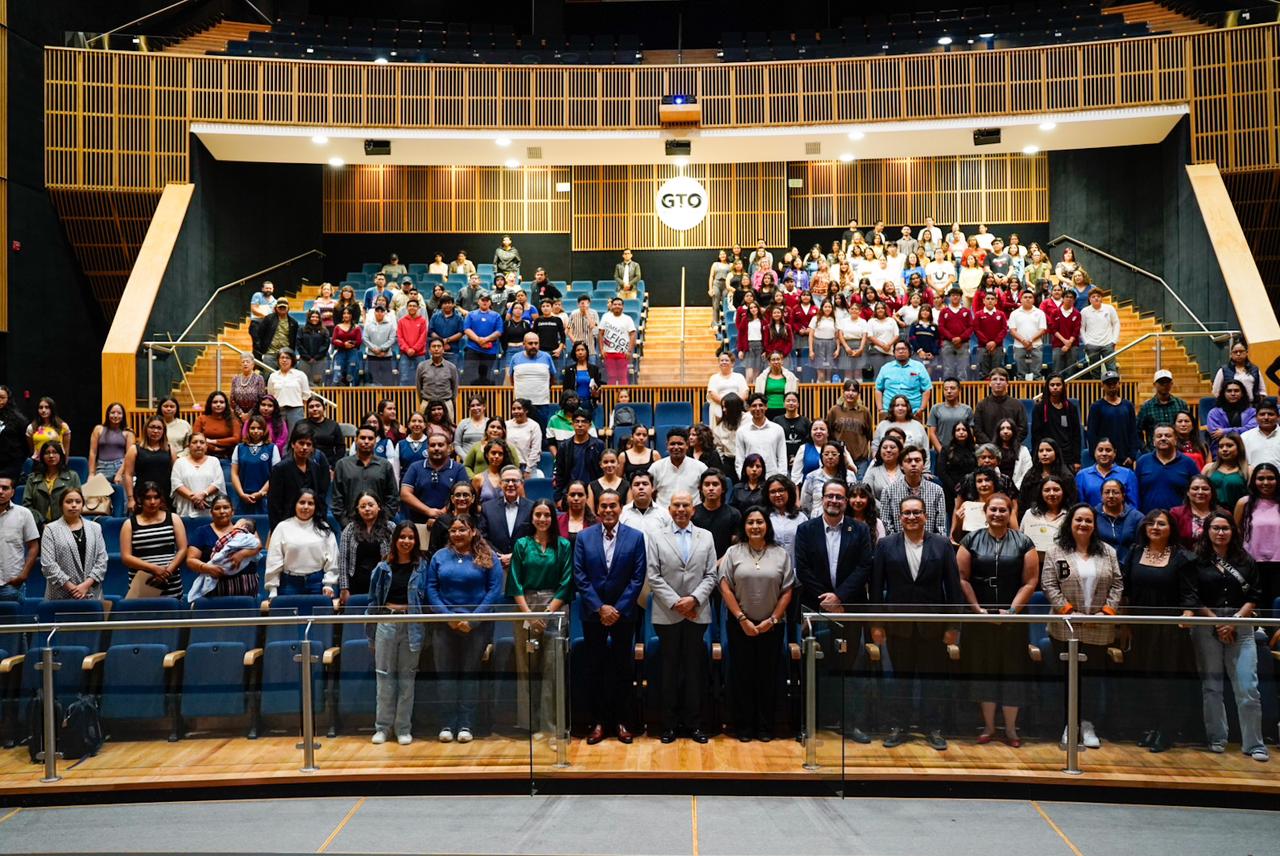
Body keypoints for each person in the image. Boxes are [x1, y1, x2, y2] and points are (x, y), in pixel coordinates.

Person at [872, 495, 964, 751]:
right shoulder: (885, 545)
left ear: (926, 516)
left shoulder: (942, 544)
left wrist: (953, 626)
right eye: (907, 513)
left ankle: (932, 728)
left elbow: (953, 588)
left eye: (916, 512)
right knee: (900, 678)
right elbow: (877, 587)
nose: (911, 517)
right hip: (898, 626)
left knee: (932, 679)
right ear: (899, 517)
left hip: (932, 626)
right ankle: (899, 726)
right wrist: (876, 624)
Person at [1184, 511, 1268, 761]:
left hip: (1240, 624)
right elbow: (1192, 596)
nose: (1221, 533)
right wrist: (1219, 622)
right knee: (1212, 686)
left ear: (1233, 531)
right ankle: (1217, 738)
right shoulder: (1195, 560)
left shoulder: (1245, 560)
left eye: (1225, 528)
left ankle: (1254, 744)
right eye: (1216, 528)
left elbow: (1255, 595)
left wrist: (1234, 621)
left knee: (1248, 687)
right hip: (1206, 624)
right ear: (1207, 531)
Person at [957, 493, 1038, 747]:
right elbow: (962, 578)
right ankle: (989, 726)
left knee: (1013, 672)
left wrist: (1012, 612)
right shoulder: (971, 539)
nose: (998, 514)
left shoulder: (1024, 541)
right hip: (980, 618)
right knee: (985, 671)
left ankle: (1011, 729)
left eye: (1003, 510)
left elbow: (1030, 581)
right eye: (993, 509)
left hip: (1013, 619)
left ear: (1010, 512)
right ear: (985, 511)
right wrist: (977, 610)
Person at [1041, 503, 1123, 749]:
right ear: (1070, 523)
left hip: (1099, 626)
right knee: (1068, 679)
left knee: (1091, 680)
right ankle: (1070, 724)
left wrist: (1106, 612)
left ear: (1095, 525)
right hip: (1066, 626)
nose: (1083, 524)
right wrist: (1069, 611)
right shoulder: (1056, 551)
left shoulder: (1108, 551)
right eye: (1079, 520)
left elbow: (1117, 584)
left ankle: (1087, 725)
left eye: (1088, 520)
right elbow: (1049, 584)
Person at [419, 513, 502, 745]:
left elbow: (494, 591)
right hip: (444, 626)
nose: (457, 534)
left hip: (476, 627)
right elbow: (431, 589)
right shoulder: (439, 556)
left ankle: (466, 723)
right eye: (453, 530)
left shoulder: (487, 556)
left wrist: (473, 620)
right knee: (445, 675)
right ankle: (447, 723)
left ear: (473, 532)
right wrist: (448, 617)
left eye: (462, 530)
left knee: (469, 674)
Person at [573, 490, 647, 745]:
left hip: (623, 615)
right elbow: (580, 575)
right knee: (595, 669)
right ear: (598, 509)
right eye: (603, 506)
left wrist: (617, 608)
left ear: (620, 508)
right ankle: (598, 723)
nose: (607, 510)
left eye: (612, 506)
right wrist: (600, 607)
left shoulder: (635, 537)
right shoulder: (584, 537)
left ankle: (623, 722)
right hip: (593, 615)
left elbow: (638, 577)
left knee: (623, 669)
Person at [1120, 509, 1196, 753]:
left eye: (1161, 524)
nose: (1155, 527)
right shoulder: (1135, 552)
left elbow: (1189, 594)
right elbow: (1125, 591)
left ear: (1171, 529)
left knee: (1165, 681)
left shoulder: (1181, 556)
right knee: (1144, 679)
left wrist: (1188, 614)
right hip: (1141, 627)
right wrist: (1126, 623)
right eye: (1151, 523)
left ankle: (1167, 730)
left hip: (1169, 629)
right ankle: (1151, 726)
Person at [644, 491, 717, 744]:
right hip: (667, 613)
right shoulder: (656, 536)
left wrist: (693, 599)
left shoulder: (706, 536)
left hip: (698, 612)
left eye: (686, 505)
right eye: (677, 505)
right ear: (670, 509)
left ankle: (694, 724)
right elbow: (653, 576)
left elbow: (711, 575)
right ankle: (669, 725)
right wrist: (677, 603)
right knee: (669, 672)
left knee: (694, 671)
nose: (681, 509)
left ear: (693, 509)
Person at [719, 506, 796, 742]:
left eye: (759, 522)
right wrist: (742, 618)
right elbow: (725, 586)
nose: (755, 526)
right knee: (742, 676)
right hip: (740, 624)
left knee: (768, 676)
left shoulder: (780, 553)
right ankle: (743, 726)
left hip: (772, 625)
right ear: (744, 526)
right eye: (750, 522)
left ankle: (765, 727)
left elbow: (787, 590)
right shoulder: (733, 552)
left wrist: (772, 620)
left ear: (767, 526)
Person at [507, 498, 572, 741]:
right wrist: (530, 614)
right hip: (525, 608)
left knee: (552, 669)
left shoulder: (563, 545)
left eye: (547, 515)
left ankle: (551, 726)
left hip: (555, 608)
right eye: (538, 515)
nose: (542, 519)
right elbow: (515, 582)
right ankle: (530, 725)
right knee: (527, 668)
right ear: (532, 517)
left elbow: (567, 583)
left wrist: (546, 613)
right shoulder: (522, 544)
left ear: (553, 518)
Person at [366, 521, 424, 746]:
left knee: (407, 679)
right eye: (402, 537)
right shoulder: (383, 568)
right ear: (395, 540)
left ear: (416, 541)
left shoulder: (422, 567)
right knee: (384, 677)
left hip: (412, 624)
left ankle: (403, 728)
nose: (406, 541)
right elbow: (373, 601)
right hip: (387, 622)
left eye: (411, 537)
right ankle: (382, 727)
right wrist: (371, 634)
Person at [120, 481, 188, 599]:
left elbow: (183, 549)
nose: (152, 502)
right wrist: (153, 569)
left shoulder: (173, 518)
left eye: (156, 497)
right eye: (148, 498)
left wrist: (167, 572)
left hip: (171, 583)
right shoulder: (129, 524)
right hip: (142, 585)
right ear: (140, 499)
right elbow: (126, 557)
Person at [265, 489, 338, 599]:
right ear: (295, 504)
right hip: (289, 584)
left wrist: (329, 584)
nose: (306, 507)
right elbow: (274, 560)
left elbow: (332, 560)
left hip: (317, 583)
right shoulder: (282, 527)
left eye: (310, 503)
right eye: (302, 502)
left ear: (315, 506)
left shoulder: (324, 528)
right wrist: (272, 589)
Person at [41, 489, 107, 601]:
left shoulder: (95, 528)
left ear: (83, 505)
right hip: (60, 596)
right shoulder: (50, 529)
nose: (74, 505)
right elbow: (48, 565)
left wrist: (85, 585)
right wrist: (74, 589)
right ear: (61, 505)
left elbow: (102, 560)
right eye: (69, 501)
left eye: (78, 501)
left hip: (91, 594)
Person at [266, 424, 331, 530]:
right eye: (301, 443)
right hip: (287, 524)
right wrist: (277, 530)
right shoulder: (280, 469)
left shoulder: (316, 468)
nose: (304, 447)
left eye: (308, 444)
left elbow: (320, 499)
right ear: (293, 444)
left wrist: (321, 523)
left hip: (311, 524)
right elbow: (274, 504)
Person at [1235, 462, 1280, 612]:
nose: (1266, 482)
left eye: (1271, 478)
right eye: (1261, 478)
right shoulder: (1244, 503)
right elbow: (1237, 532)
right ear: (1254, 481)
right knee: (1256, 605)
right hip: (1252, 563)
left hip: (1278, 564)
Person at [332, 424, 399, 524]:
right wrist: (346, 523)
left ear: (375, 442)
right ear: (356, 440)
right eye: (363, 438)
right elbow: (337, 498)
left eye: (370, 438)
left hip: (379, 525)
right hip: (350, 524)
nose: (366, 441)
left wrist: (383, 520)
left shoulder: (385, 465)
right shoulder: (342, 465)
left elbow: (392, 497)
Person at [400, 433, 468, 526]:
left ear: (449, 448)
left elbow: (465, 495)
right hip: (418, 524)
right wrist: (428, 511)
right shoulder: (415, 467)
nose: (436, 448)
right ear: (427, 448)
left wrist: (441, 515)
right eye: (432, 445)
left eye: (440, 445)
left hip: (451, 525)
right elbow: (405, 494)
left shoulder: (458, 469)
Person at [878, 445, 947, 536]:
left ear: (923, 465)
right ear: (901, 466)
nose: (913, 464)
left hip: (929, 543)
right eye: (909, 461)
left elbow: (940, 527)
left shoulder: (937, 491)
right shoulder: (888, 491)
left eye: (917, 460)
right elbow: (886, 525)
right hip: (898, 543)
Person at [478, 465, 534, 575]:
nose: (510, 484)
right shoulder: (487, 508)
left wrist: (515, 555)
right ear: (500, 483)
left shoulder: (532, 508)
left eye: (515, 481)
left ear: (521, 483)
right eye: (506, 481)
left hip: (524, 566)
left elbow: (534, 537)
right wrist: (498, 556)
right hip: (495, 565)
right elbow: (482, 536)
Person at [1135, 424, 1201, 514]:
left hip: (1179, 518)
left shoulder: (1188, 463)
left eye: (1168, 435)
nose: (1163, 438)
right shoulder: (1143, 462)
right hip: (1148, 518)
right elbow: (1136, 492)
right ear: (1153, 441)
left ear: (1175, 440)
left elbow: (1197, 491)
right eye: (1159, 436)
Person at [1086, 371, 1141, 467]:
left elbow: (1133, 432)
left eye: (1114, 383)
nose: (1112, 386)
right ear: (1102, 385)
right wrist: (1097, 456)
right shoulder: (1096, 407)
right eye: (1108, 384)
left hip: (1125, 459)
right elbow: (1092, 434)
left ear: (1119, 384)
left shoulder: (1128, 405)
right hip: (1104, 458)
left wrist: (1132, 456)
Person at [552, 409, 605, 506]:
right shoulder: (565, 446)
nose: (580, 425)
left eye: (584, 422)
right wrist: (558, 497)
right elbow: (559, 473)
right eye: (577, 421)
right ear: (572, 424)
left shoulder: (599, 445)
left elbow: (602, 472)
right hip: (571, 493)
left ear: (590, 425)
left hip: (593, 493)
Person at [23, 442, 82, 526]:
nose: (51, 456)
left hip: (65, 525)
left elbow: (77, 503)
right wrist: (40, 522)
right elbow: (27, 505)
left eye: (54, 452)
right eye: (47, 453)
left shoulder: (72, 476)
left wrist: (60, 525)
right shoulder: (33, 478)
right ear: (42, 456)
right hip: (38, 526)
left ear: (60, 455)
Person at [0, 476, 39, 601]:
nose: (0, 491)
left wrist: (23, 575)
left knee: (15, 614)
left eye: (5, 488)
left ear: (12, 492)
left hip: (12, 585)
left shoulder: (24, 514)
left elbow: (34, 546)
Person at [1031, 374, 1082, 469]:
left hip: (1067, 457)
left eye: (1058, 385)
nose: (1055, 387)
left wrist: (1076, 460)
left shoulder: (1071, 408)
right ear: (1047, 387)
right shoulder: (1039, 408)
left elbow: (1076, 436)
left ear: (1063, 387)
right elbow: (1036, 436)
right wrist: (1037, 458)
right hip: (1047, 455)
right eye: (1052, 385)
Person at [824, 381, 874, 478]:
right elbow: (828, 434)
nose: (850, 393)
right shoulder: (834, 411)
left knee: (859, 486)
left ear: (858, 394)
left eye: (854, 391)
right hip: (839, 459)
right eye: (847, 390)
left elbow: (870, 436)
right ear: (843, 392)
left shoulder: (865, 412)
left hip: (860, 461)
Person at [169, 434, 226, 519]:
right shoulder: (179, 462)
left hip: (209, 509)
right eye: (194, 442)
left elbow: (218, 482)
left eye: (202, 442)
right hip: (186, 509)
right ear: (188, 446)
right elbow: (176, 484)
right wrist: (194, 497)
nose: (198, 445)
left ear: (206, 446)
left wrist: (204, 494)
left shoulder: (214, 461)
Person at [649, 428, 707, 508]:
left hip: (693, 513)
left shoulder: (700, 467)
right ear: (667, 445)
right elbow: (649, 493)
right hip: (663, 514)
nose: (676, 447)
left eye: (680, 444)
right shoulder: (656, 467)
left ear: (687, 445)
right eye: (672, 444)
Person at [1137, 370, 1190, 453]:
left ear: (1171, 384)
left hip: (1178, 451)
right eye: (1161, 382)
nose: (1165, 385)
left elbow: (1189, 426)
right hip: (1154, 452)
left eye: (1167, 382)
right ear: (1154, 384)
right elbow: (1137, 431)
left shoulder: (1181, 404)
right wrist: (1145, 449)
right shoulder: (1147, 407)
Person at [871, 394, 929, 465]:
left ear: (908, 407)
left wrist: (926, 469)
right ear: (892, 408)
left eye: (903, 405)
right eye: (897, 405)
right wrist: (878, 464)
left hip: (913, 466)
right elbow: (875, 446)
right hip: (887, 467)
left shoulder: (918, 425)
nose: (900, 408)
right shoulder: (882, 425)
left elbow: (925, 449)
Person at [973, 368, 1025, 446]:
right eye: (994, 379)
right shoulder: (981, 405)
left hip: (1011, 448)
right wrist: (991, 446)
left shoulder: (1017, 405)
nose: (998, 382)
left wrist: (1008, 444)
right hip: (988, 448)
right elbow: (977, 430)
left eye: (1002, 379)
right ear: (989, 383)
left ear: (1007, 383)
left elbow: (1022, 429)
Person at [926, 377, 973, 463]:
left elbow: (970, 432)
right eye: (946, 389)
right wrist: (942, 452)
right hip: (942, 452)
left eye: (952, 388)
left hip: (963, 453)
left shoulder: (967, 409)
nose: (949, 391)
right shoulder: (935, 408)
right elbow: (932, 433)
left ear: (959, 390)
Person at [1206, 380, 1257, 457]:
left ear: (1242, 393)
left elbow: (1252, 430)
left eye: (1236, 391)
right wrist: (1241, 430)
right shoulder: (1214, 413)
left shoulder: (1252, 412)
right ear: (1223, 394)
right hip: (1221, 452)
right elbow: (1215, 434)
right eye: (1229, 391)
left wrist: (1225, 431)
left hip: (1247, 450)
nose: (1233, 394)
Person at [462, 292, 504, 385]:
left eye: (487, 300)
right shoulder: (471, 314)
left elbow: (499, 331)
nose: (485, 302)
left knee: (486, 377)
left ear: (490, 302)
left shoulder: (496, 316)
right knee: (469, 375)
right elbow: (466, 329)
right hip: (473, 349)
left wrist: (486, 339)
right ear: (478, 301)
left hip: (489, 351)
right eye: (483, 300)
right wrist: (478, 340)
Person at [265, 349, 311, 430]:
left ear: (292, 360)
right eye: (282, 357)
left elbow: (306, 395)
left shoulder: (300, 375)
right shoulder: (273, 376)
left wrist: (298, 406)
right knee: (280, 434)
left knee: (296, 434)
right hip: (279, 411)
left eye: (287, 358)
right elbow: (271, 395)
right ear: (278, 360)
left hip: (296, 410)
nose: (284, 360)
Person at [1007, 289, 1047, 380]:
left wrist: (1030, 341)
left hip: (1036, 345)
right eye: (1025, 297)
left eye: (1030, 297)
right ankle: (1022, 389)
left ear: (1033, 300)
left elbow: (1042, 330)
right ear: (1021, 299)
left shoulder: (1040, 313)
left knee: (1037, 374)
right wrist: (1023, 341)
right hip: (1019, 346)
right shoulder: (1014, 313)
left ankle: (1037, 389)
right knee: (1020, 375)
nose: (1028, 299)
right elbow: (1012, 331)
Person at [88, 402, 134, 481]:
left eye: (119, 413)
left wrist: (119, 473)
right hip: (101, 467)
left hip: (120, 467)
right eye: (112, 413)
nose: (115, 416)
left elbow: (129, 456)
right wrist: (91, 474)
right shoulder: (98, 429)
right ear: (108, 414)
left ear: (123, 416)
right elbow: (93, 452)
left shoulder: (128, 432)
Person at [1205, 432, 1251, 510]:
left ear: (1239, 447)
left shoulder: (1248, 470)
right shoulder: (1209, 468)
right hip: (1211, 513)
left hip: (1238, 513)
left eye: (1229, 446)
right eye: (1221, 446)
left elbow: (1252, 498)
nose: (1224, 449)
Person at [1079, 290, 1120, 377]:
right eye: (1093, 297)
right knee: (1095, 371)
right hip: (1092, 345)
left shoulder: (1109, 308)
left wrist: (1114, 340)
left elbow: (1116, 323)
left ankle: (1113, 385)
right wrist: (1086, 342)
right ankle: (1096, 386)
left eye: (1098, 296)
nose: (1096, 298)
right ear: (1089, 299)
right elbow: (1081, 328)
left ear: (1102, 298)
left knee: (1112, 369)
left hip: (1108, 344)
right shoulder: (1084, 311)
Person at [1212, 339, 1266, 404]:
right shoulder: (1223, 370)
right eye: (1235, 352)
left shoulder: (1255, 369)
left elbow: (1262, 390)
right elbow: (1216, 391)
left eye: (1241, 351)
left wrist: (1258, 403)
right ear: (1231, 354)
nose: (1238, 354)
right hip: (1231, 406)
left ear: (1246, 352)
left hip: (1251, 405)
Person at [599, 297, 637, 386]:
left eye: (619, 304)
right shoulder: (605, 317)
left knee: (622, 376)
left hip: (623, 353)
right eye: (615, 304)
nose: (617, 306)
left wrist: (629, 351)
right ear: (611, 306)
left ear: (623, 306)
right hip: (608, 353)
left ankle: (624, 394)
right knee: (611, 376)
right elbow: (600, 333)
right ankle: (611, 395)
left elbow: (632, 335)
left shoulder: (628, 319)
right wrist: (601, 349)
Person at [254, 298, 300, 369]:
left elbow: (294, 340)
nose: (282, 309)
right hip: (270, 354)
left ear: (288, 308)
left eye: (284, 307)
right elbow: (259, 335)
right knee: (268, 374)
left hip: (285, 355)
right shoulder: (268, 319)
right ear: (276, 308)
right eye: (280, 307)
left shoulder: (293, 323)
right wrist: (261, 352)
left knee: (285, 375)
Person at [560, 342, 603, 418]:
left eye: (582, 350)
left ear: (586, 352)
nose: (580, 352)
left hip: (590, 404)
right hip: (574, 405)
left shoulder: (594, 369)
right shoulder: (569, 370)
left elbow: (598, 388)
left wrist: (596, 394)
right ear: (575, 353)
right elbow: (566, 390)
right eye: (578, 350)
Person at [1241, 396, 1280, 469]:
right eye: (1262, 414)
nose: (1266, 417)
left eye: (1270, 414)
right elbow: (1241, 462)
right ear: (1256, 418)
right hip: (1252, 476)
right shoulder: (1245, 437)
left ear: (1278, 417)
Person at [295, 309, 331, 385]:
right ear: (309, 318)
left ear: (319, 319)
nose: (315, 318)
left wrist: (316, 357)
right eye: (312, 317)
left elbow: (326, 345)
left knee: (317, 382)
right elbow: (299, 344)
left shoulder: (324, 330)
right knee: (303, 382)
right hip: (304, 360)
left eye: (317, 317)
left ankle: (317, 394)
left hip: (319, 360)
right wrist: (307, 357)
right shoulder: (301, 330)